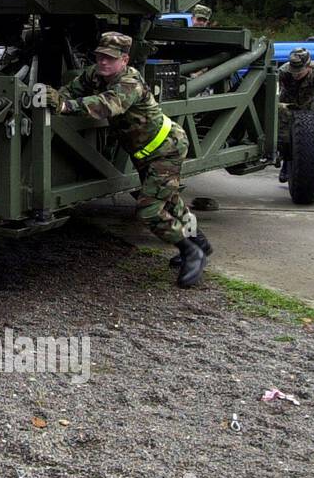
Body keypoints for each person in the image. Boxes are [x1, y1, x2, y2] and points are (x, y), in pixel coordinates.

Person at [44, 32, 210, 288]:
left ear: (124, 60)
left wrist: (65, 107)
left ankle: (190, 252)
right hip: (145, 153)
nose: (103, 63)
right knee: (170, 201)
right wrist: (55, 97)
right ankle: (199, 243)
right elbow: (71, 90)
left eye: (110, 59)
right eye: (100, 57)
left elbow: (109, 105)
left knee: (149, 209)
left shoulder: (130, 82)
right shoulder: (94, 74)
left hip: (165, 148)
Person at [277, 47, 314, 183]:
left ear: (308, 66)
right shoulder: (284, 72)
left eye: (299, 71)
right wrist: (278, 106)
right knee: (284, 135)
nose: (296, 74)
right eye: (294, 71)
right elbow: (271, 92)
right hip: (288, 103)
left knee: (307, 137)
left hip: (310, 103)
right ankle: (286, 163)